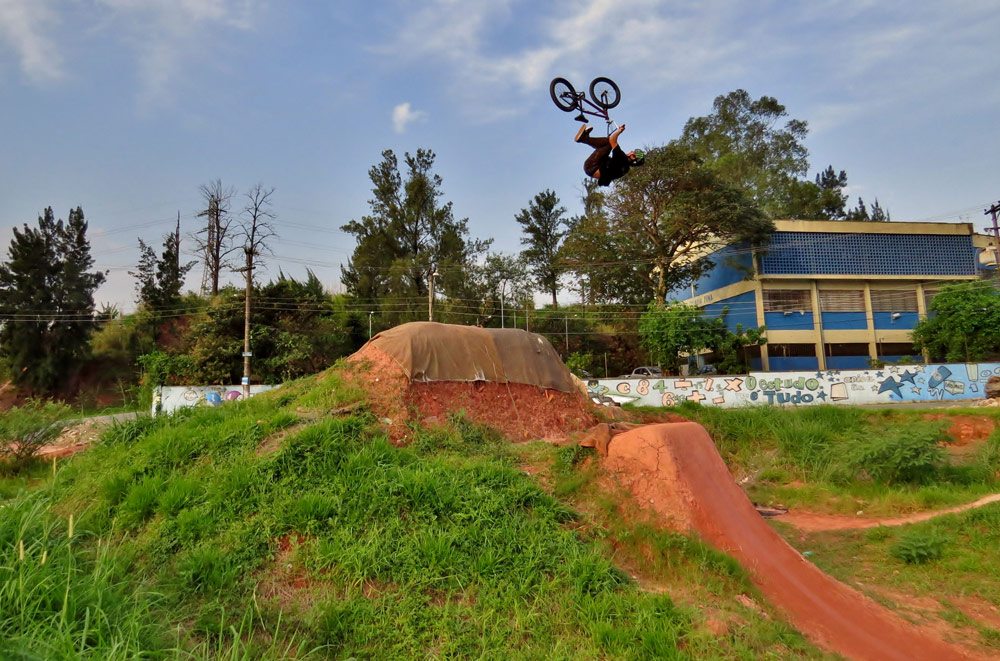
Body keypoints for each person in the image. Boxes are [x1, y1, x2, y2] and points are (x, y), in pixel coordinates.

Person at [575, 122, 645, 186]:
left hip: (591, 166)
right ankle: (585, 138)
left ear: (632, 157)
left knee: (608, 143)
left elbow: (612, 140)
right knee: (605, 146)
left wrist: (619, 131)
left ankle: (584, 139)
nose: (632, 151)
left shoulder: (622, 158)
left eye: (634, 152)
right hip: (594, 169)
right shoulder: (626, 168)